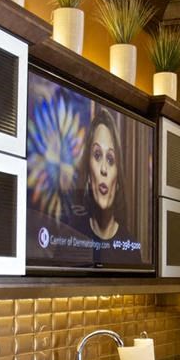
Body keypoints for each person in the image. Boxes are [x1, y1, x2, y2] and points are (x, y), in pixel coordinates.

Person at [73, 108, 142, 264]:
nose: (104, 169)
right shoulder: (70, 239)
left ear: (117, 181)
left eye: (110, 159)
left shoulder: (131, 249)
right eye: (97, 155)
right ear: (89, 175)